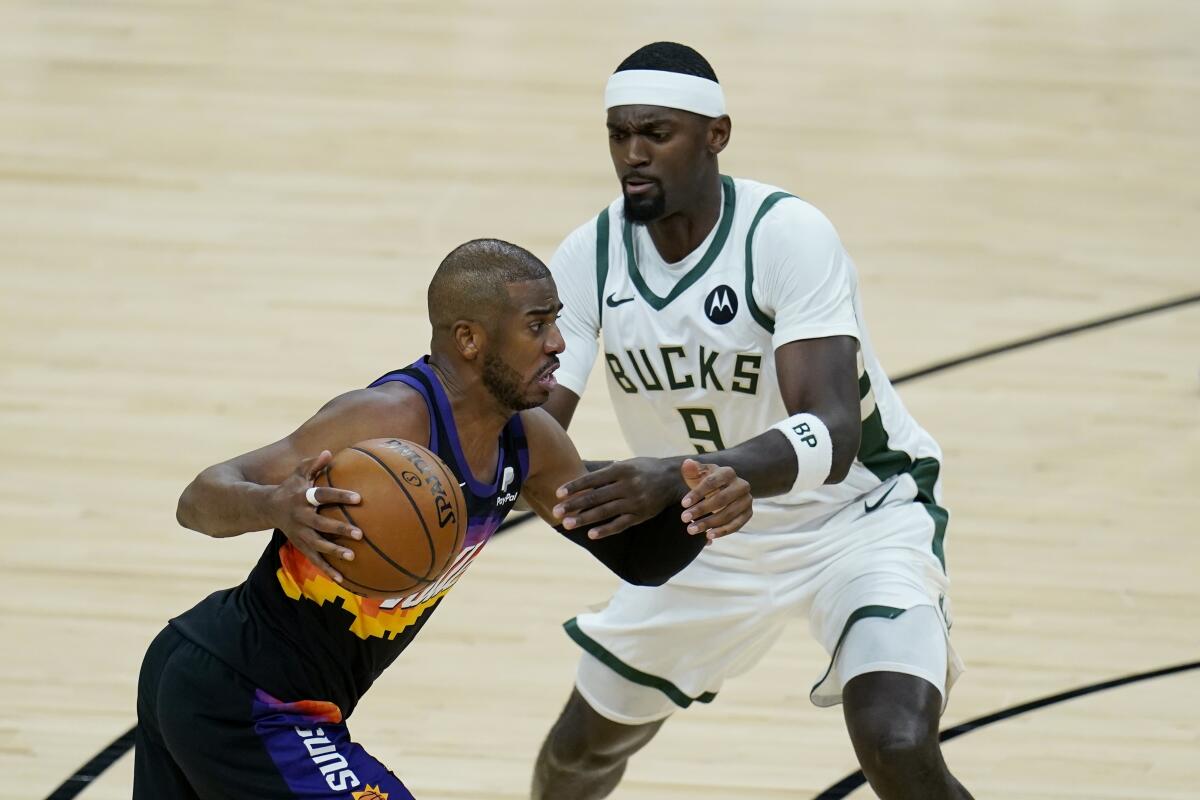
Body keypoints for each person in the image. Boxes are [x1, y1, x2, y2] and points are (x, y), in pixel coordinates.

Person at [132, 238, 754, 799]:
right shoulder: (388, 419)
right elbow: (199, 499)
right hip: (241, 693)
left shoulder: (530, 444)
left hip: (272, 698)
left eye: (556, 323)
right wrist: (275, 506)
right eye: (537, 326)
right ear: (469, 339)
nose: (558, 344)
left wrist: (697, 508)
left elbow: (636, 560)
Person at [530, 43, 973, 799]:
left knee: (895, 742)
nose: (632, 155)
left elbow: (830, 430)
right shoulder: (592, 254)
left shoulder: (785, 234)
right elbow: (536, 428)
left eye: (656, 133)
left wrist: (679, 475)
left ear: (716, 134)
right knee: (575, 757)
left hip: (855, 520)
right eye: (618, 134)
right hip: (702, 537)